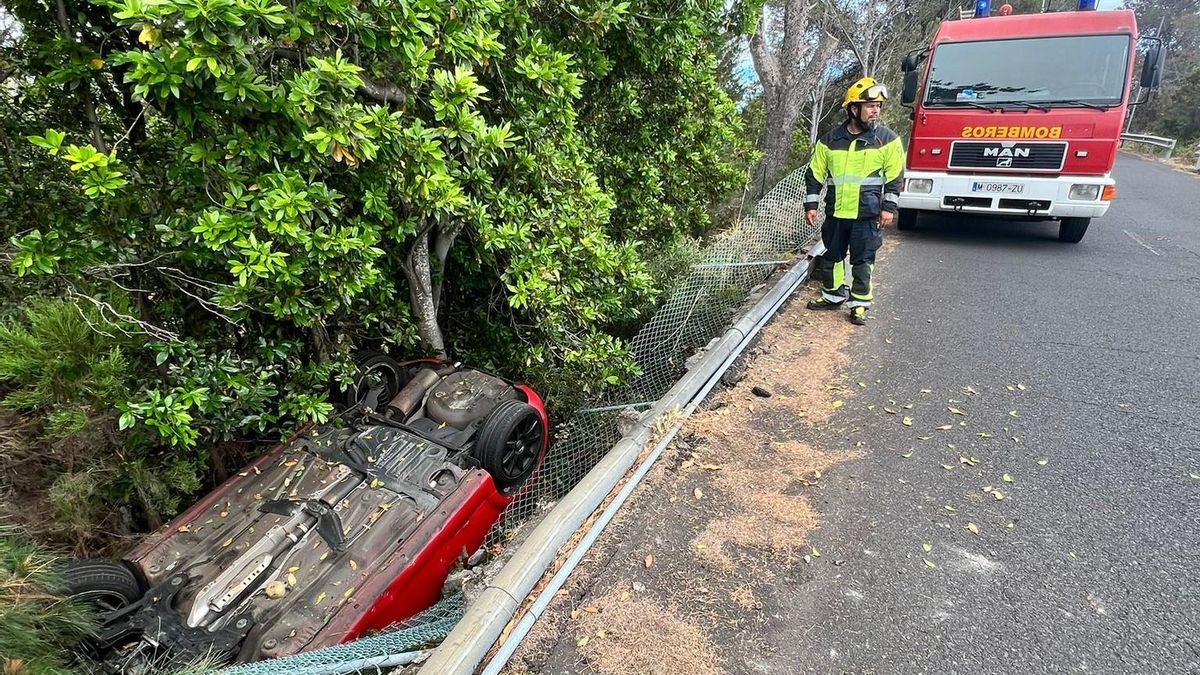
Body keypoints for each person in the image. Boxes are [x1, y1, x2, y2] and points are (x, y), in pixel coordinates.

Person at [803, 77, 905, 325]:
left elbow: (895, 177)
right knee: (833, 256)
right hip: (837, 212)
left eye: (878, 106)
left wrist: (888, 207)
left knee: (862, 261)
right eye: (871, 106)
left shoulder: (887, 140)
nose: (876, 111)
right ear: (853, 109)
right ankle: (833, 295)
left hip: (867, 214)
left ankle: (859, 303)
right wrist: (811, 205)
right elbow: (815, 175)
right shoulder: (829, 141)